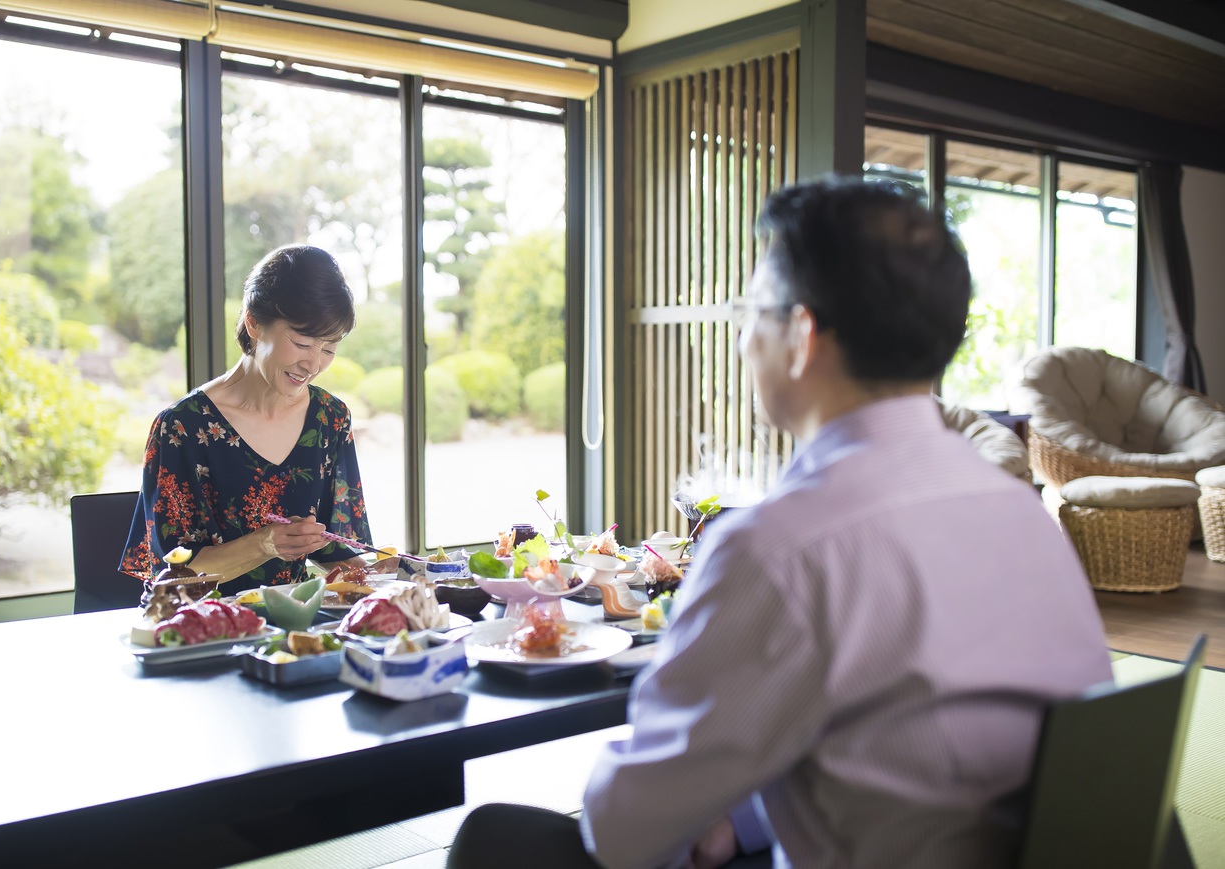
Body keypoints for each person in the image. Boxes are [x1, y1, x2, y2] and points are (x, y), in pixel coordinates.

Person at [448, 177, 1112, 869]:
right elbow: (901, 735)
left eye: (750, 311)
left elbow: (624, 830)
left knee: (495, 840)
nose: (741, 341)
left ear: (800, 334)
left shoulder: (783, 548)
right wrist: (739, 814)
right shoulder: (1021, 512)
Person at [120, 244, 372, 598]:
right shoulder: (183, 428)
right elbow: (174, 577)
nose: (313, 365)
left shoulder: (329, 419)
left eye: (329, 348)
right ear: (253, 322)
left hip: (292, 627)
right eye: (301, 343)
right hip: (202, 627)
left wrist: (402, 575)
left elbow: (340, 553)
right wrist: (264, 544)